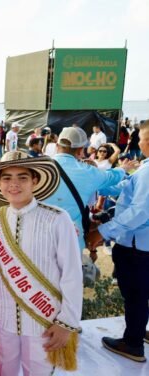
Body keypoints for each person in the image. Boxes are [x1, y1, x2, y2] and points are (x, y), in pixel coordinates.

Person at [0, 151, 83, 374]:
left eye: (22, 177)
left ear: (35, 181)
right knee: (1, 370)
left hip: (43, 319)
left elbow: (72, 274)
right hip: (2, 318)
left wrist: (66, 323)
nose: (14, 184)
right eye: (6, 178)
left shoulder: (57, 218)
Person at [88, 121, 149, 362]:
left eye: (142, 138)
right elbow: (126, 186)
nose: (139, 143)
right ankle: (139, 330)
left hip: (136, 246)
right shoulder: (143, 170)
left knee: (134, 293)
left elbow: (139, 212)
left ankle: (132, 343)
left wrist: (103, 231)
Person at [44, 126, 134, 252]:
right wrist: (123, 169)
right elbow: (111, 178)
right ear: (81, 150)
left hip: (40, 236)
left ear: (57, 145)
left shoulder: (40, 167)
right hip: (71, 239)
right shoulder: (88, 172)